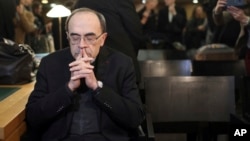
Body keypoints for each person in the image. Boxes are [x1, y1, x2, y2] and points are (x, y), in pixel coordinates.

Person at [24, 7, 145, 141]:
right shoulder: (50, 63)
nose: (81, 45)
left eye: (89, 38)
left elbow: (135, 117)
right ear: (67, 37)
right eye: (75, 37)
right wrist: (68, 88)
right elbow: (33, 117)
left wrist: (97, 88)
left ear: (103, 39)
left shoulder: (121, 63)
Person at [73, 0, 145, 83]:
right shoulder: (121, 2)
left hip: (90, 68)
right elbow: (135, 32)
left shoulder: (81, 3)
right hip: (122, 67)